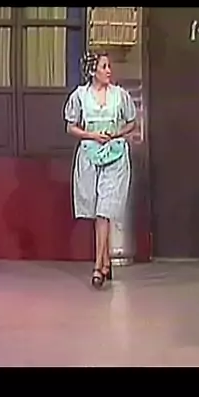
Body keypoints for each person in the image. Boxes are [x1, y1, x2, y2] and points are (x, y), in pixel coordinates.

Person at [64, 51, 137, 288]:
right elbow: (70, 126)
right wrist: (91, 135)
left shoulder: (120, 95)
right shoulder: (80, 96)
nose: (109, 71)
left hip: (115, 156)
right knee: (97, 210)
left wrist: (116, 134)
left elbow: (132, 122)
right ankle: (106, 262)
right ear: (92, 70)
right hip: (90, 155)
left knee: (105, 209)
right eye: (104, 66)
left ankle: (97, 266)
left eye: (109, 66)